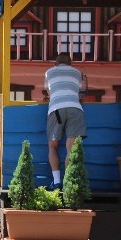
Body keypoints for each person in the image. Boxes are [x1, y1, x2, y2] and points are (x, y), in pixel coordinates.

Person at [45, 53, 86, 191]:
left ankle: (56, 182)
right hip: (75, 108)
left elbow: (49, 94)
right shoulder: (77, 72)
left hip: (56, 108)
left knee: (53, 146)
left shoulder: (49, 72)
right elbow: (81, 92)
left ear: (55, 63)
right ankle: (68, 181)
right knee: (71, 148)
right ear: (71, 63)